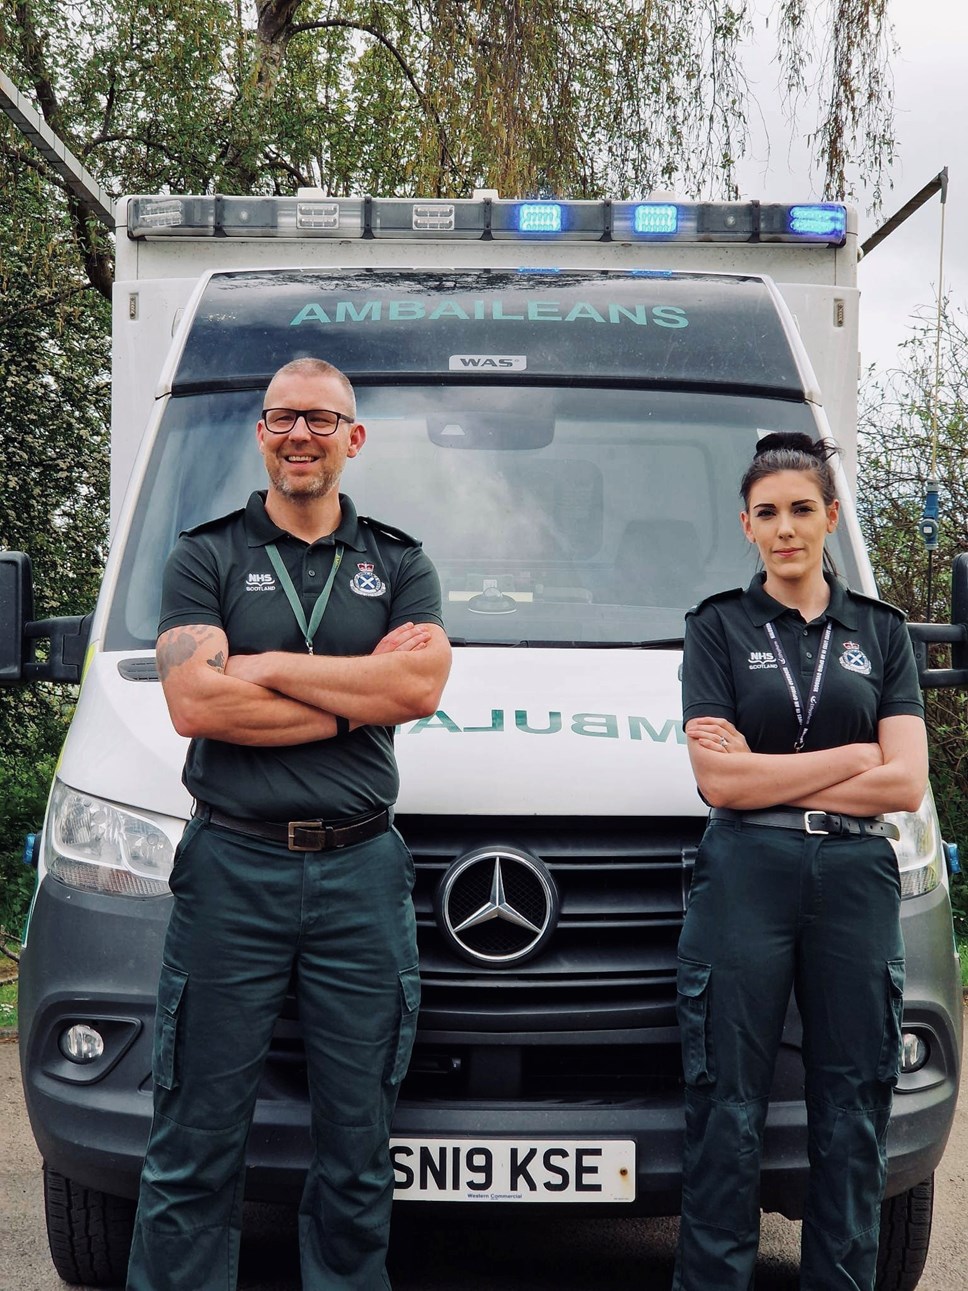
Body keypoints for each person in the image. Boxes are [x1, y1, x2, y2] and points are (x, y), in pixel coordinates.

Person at [127, 357, 452, 1291]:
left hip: (360, 875)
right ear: (261, 434)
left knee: (356, 1151)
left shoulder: (397, 561)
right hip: (233, 866)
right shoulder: (208, 554)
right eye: (281, 418)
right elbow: (196, 704)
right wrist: (359, 703)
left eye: (320, 418)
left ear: (353, 439)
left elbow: (419, 684)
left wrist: (260, 667)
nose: (299, 434)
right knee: (194, 1142)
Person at [674, 432, 928, 1290]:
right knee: (725, 1104)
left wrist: (771, 775)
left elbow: (905, 781)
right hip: (746, 868)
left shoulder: (882, 634)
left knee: (854, 1104)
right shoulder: (717, 627)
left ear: (830, 517)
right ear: (747, 524)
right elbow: (717, 778)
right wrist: (852, 758)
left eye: (802, 510)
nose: (787, 529)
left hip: (853, 877)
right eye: (768, 513)